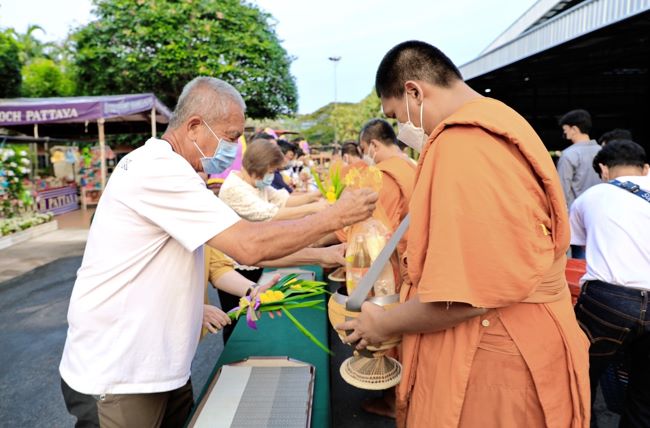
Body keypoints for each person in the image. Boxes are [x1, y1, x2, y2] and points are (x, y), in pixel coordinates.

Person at [59, 76, 377, 428]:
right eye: (229, 138)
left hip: (157, 367)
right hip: (120, 374)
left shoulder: (179, 172)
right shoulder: (158, 170)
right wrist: (334, 216)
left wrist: (321, 256)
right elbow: (250, 245)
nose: (233, 149)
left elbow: (230, 253)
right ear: (194, 127)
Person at [339, 41, 590, 428]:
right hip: (524, 332)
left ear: (414, 92)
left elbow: (469, 294)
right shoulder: (501, 119)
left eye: (397, 115)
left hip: (497, 352)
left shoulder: (463, 143)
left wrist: (383, 324)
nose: (404, 130)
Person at [569, 140, 650, 428]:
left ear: (603, 169)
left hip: (607, 304)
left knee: (579, 382)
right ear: (646, 168)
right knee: (644, 397)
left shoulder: (590, 197)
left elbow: (576, 246)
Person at [357, 118, 416, 418]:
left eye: (365, 149)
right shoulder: (413, 166)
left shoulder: (383, 175)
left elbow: (375, 231)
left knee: (391, 333)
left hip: (392, 267)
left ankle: (395, 401)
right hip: (415, 260)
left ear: (374, 145)